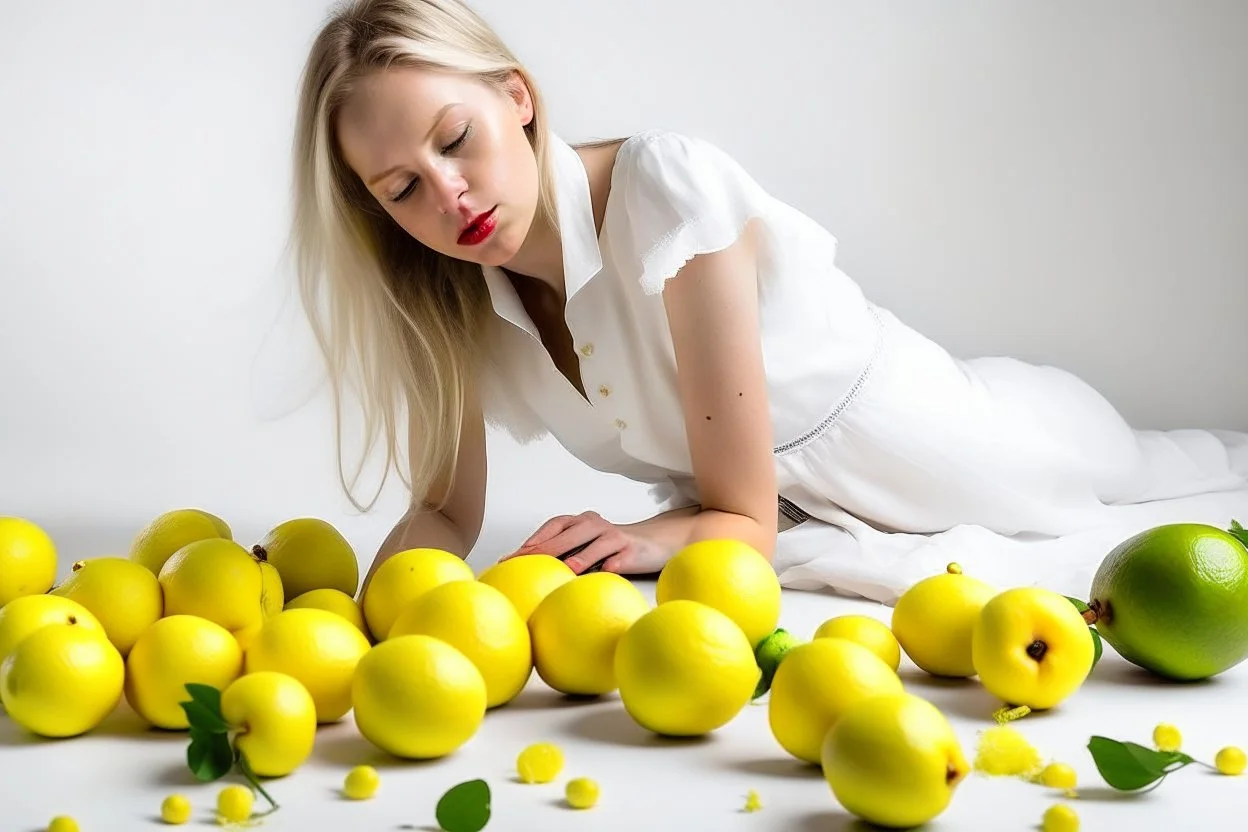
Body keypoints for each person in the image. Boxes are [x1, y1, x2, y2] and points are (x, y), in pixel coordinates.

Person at [292, 0, 1248, 603]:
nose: (447, 193)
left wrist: (643, 536)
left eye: (455, 139)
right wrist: (372, 621)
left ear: (519, 97)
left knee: (1157, 476)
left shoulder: (664, 187)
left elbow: (739, 517)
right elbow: (444, 515)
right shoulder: (441, 303)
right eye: (400, 188)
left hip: (932, 439)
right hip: (768, 511)